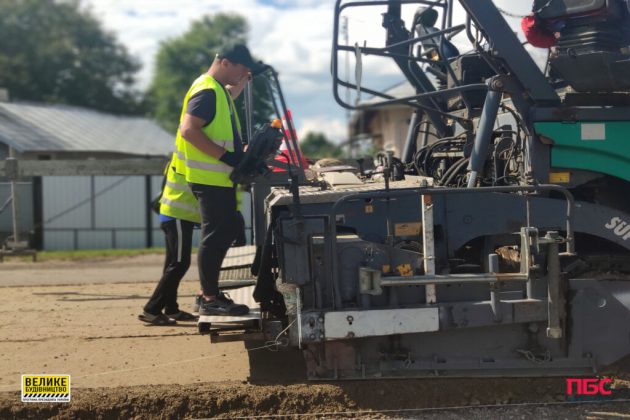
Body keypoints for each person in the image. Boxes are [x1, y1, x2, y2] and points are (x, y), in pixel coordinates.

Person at [174, 43, 263, 316]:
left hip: (215, 179)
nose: (243, 75)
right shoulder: (207, 91)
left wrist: (247, 78)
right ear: (225, 63)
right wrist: (228, 156)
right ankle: (210, 297)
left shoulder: (216, 90)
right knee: (215, 235)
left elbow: (230, 93)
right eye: (241, 69)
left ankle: (208, 293)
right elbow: (189, 131)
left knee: (230, 226)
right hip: (209, 178)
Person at [139, 154, 201, 325]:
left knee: (173, 264)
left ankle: (171, 308)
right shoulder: (189, 157)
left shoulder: (178, 157)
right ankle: (151, 309)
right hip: (178, 215)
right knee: (179, 263)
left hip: (174, 215)